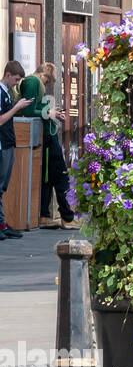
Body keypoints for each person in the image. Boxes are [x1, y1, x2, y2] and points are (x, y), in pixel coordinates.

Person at [22, 63, 76, 230]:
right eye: (47, 80)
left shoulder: (32, 82)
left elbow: (34, 108)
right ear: (44, 75)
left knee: (48, 177)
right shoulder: (32, 82)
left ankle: (45, 215)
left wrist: (51, 112)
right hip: (46, 136)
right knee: (59, 175)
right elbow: (29, 110)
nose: (46, 84)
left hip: (45, 135)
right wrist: (49, 113)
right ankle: (66, 217)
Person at [0, 61, 34, 240]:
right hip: (2, 144)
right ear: (8, 75)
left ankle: (3, 224)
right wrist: (17, 108)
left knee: (2, 186)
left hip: (7, 143)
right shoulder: (0, 93)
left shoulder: (6, 93)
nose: (17, 83)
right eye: (16, 79)